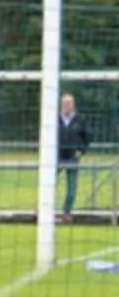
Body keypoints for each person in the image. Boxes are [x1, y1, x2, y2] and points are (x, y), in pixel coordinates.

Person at [58, 93, 90, 222]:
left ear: (73, 104)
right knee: (48, 183)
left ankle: (67, 212)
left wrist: (80, 152)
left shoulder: (80, 119)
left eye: (69, 103)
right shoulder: (54, 118)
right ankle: (45, 210)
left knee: (72, 187)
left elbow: (87, 138)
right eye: (64, 103)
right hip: (57, 156)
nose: (67, 105)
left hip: (73, 157)